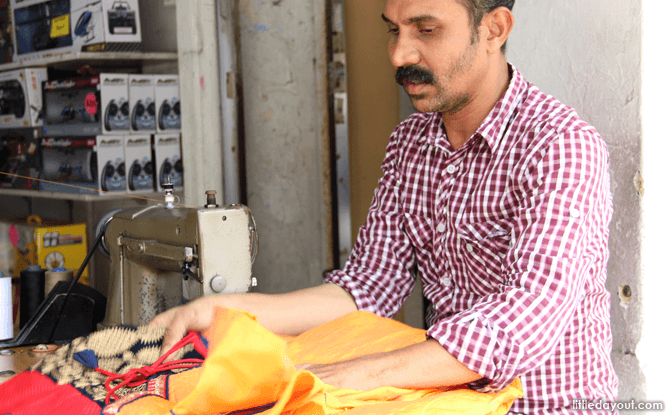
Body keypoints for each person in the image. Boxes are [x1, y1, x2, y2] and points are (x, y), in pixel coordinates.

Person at [150, 0, 619, 412]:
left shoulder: (560, 147)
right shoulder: (410, 144)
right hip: (449, 403)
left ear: (494, 29)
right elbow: (367, 288)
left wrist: (363, 372)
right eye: (394, 29)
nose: (399, 54)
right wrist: (225, 310)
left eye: (426, 30)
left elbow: (527, 316)